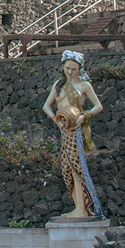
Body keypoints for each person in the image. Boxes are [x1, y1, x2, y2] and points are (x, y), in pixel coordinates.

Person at [41, 51, 104, 220]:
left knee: (77, 167)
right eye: (67, 68)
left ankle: (83, 209)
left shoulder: (84, 86)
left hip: (77, 130)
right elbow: (46, 106)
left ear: (79, 70)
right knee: (68, 167)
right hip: (64, 129)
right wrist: (55, 118)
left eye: (74, 69)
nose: (70, 72)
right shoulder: (58, 85)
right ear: (63, 67)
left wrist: (85, 115)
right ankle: (78, 206)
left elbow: (98, 106)